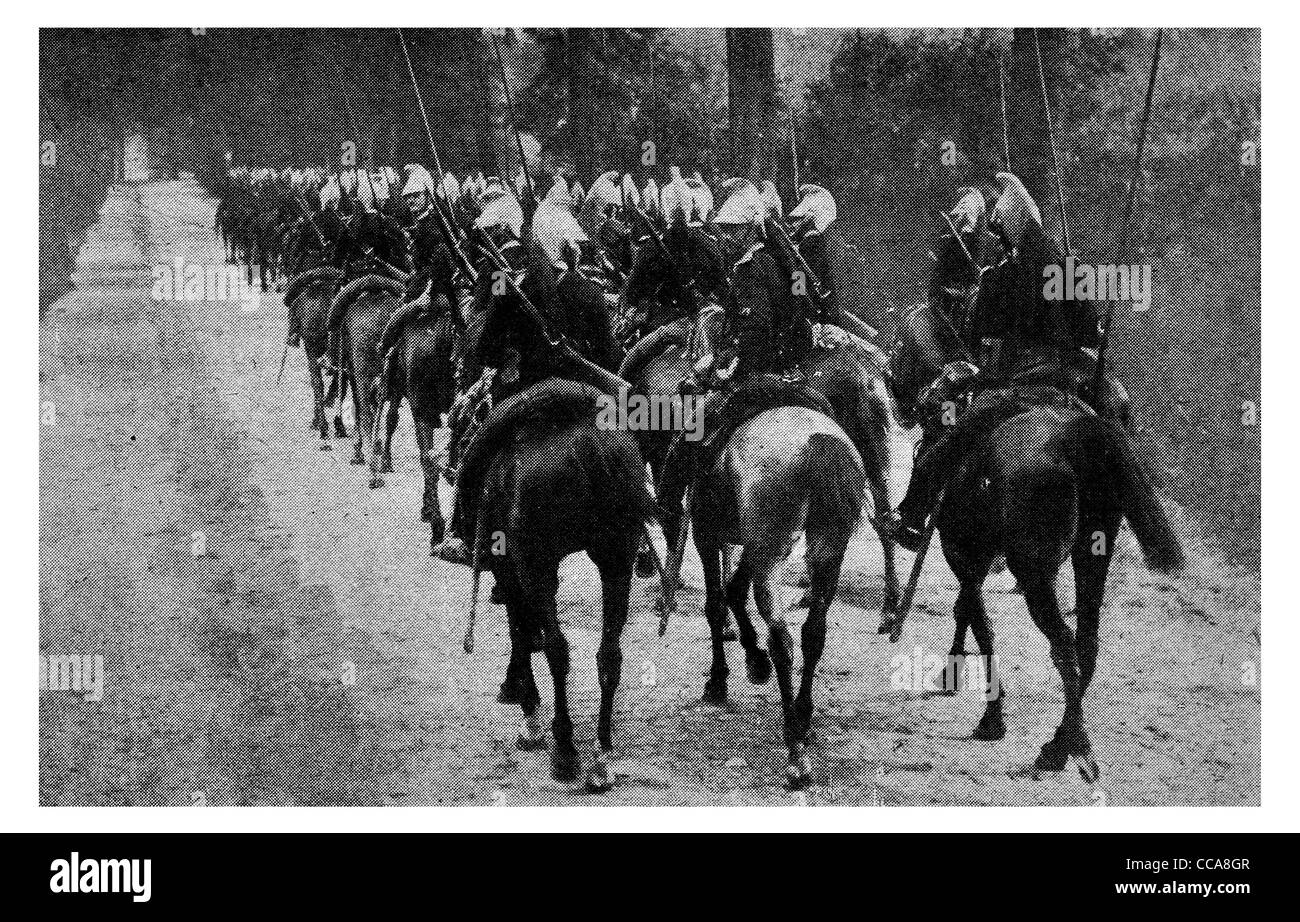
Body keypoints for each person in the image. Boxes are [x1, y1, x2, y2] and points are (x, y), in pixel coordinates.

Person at [878, 173, 1105, 551]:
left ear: (1012, 224)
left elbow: (984, 341)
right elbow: (1092, 334)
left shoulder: (1004, 275)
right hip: (1070, 384)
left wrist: (972, 376)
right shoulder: (1069, 267)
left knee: (948, 440)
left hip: (1023, 387)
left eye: (999, 230)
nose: (997, 237)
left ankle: (912, 517)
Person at [654, 178, 826, 542]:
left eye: (732, 230)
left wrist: (721, 369)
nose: (725, 237)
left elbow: (755, 331)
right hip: (787, 371)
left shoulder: (752, 271)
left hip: (754, 376)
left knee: (690, 431)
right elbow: (796, 312)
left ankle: (669, 503)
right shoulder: (779, 265)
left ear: (749, 230)